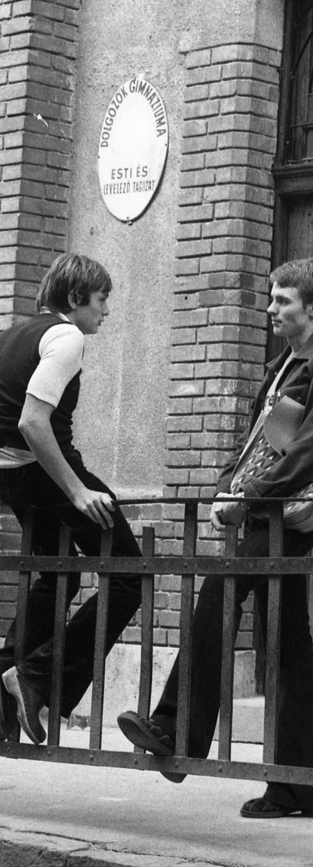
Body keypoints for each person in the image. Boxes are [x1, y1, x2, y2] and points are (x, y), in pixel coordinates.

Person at [117, 256, 313, 818]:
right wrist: (228, 485)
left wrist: (248, 496)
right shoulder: (282, 365)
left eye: (282, 300)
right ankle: (295, 787)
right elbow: (255, 440)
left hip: (293, 515)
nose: (271, 308)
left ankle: (177, 732)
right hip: (261, 512)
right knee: (288, 645)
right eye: (271, 298)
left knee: (217, 595)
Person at [0, 253, 142, 745]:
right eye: (102, 300)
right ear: (77, 297)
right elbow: (32, 422)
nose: (105, 311)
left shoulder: (13, 333)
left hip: (12, 475)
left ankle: (5, 696)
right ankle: (38, 678)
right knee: (129, 574)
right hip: (42, 470)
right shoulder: (67, 336)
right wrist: (78, 491)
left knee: (55, 575)